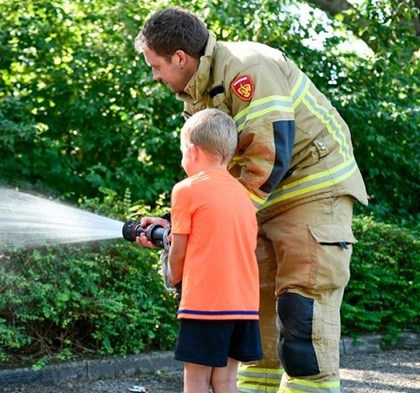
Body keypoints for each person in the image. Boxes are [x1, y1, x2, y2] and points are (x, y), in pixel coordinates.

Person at [133, 7, 368, 393]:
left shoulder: (248, 68)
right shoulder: (200, 91)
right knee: (252, 309)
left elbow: (269, 152)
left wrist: (204, 224)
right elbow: (211, 173)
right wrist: (174, 222)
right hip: (258, 200)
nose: (155, 75)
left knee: (300, 307)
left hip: (310, 189)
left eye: (156, 66)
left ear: (179, 57)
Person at [168, 108, 262, 393]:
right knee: (225, 380)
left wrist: (173, 277)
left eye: (183, 152)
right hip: (243, 306)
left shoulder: (186, 190)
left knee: (195, 379)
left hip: (205, 305)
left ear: (193, 151)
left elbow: (179, 250)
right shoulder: (244, 196)